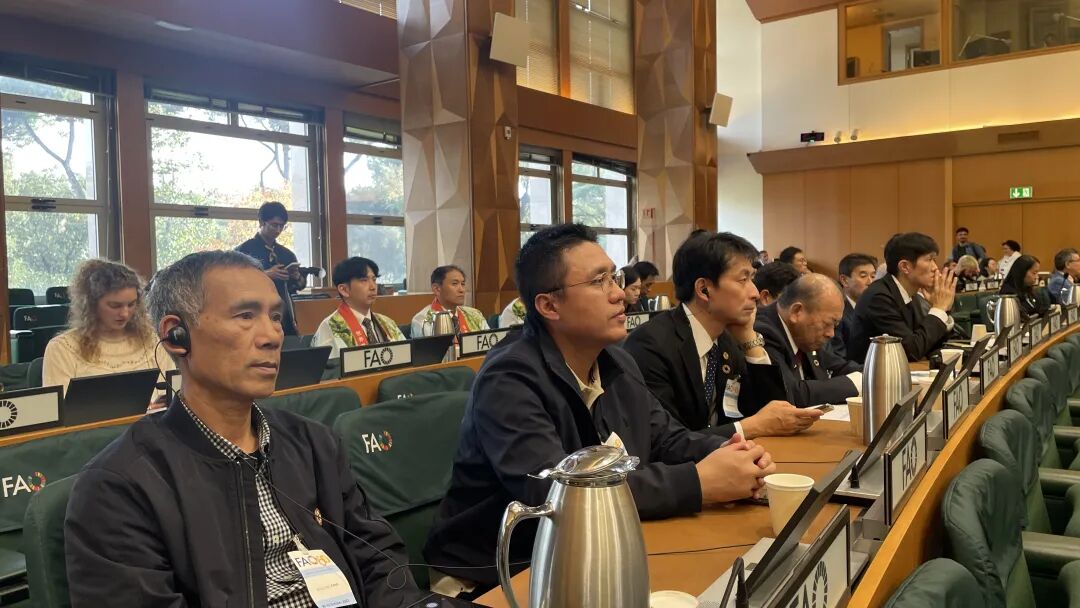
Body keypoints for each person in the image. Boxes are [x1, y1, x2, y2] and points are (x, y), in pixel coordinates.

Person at [424, 225, 775, 596]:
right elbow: (559, 493)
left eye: (615, 277)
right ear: (549, 306)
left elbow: (666, 438)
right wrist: (698, 482)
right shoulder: (509, 378)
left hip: (591, 554)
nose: (619, 294)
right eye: (598, 282)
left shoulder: (616, 362)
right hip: (498, 573)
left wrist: (731, 455)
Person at [65, 251, 425, 607]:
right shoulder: (118, 487)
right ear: (177, 336)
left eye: (276, 317)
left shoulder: (314, 443)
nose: (272, 336)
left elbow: (379, 556)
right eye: (245, 316)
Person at [624, 231, 816, 439]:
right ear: (704, 289)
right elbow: (667, 441)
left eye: (752, 279)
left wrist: (750, 340)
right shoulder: (651, 345)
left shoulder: (726, 340)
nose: (754, 293)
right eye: (743, 279)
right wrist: (749, 428)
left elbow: (776, 416)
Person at [42, 259, 173, 398]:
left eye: (131, 304)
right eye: (115, 306)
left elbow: (169, 396)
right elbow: (59, 408)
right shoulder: (62, 348)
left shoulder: (153, 340)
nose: (125, 313)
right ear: (91, 304)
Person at [848, 232, 957, 363]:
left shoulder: (911, 295)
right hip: (871, 373)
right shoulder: (879, 298)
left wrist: (942, 310)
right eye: (929, 260)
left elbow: (929, 344)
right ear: (905, 266)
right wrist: (939, 309)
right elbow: (911, 351)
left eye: (934, 260)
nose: (935, 268)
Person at [755, 275, 862, 406]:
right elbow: (792, 394)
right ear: (796, 312)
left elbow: (838, 367)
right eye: (827, 323)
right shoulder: (763, 333)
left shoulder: (804, 335)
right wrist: (857, 383)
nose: (831, 334)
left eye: (835, 326)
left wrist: (873, 373)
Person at [311, 256, 405, 357]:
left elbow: (407, 355)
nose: (373, 287)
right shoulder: (330, 327)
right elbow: (328, 366)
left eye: (374, 280)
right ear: (344, 290)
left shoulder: (387, 323)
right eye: (364, 280)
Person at [236, 201, 304, 336]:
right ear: (261, 222)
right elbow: (236, 281)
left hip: (283, 313)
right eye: (274, 225)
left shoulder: (286, 254)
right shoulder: (244, 250)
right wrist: (266, 275)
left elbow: (298, 286)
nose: (278, 230)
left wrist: (296, 277)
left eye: (281, 226)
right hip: (254, 311)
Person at [411, 265, 489, 337]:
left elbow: (490, 343)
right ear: (437, 289)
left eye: (463, 284)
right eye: (455, 284)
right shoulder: (423, 320)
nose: (461, 290)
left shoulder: (475, 315)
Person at [830, 253, 877, 360]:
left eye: (873, 276)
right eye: (863, 276)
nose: (870, 282)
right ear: (844, 280)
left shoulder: (875, 308)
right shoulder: (838, 312)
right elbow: (838, 358)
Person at [1000, 255, 1051, 319]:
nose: (1037, 277)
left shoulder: (1027, 289)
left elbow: (1038, 310)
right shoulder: (1008, 294)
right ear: (1022, 272)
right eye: (1034, 273)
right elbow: (1023, 317)